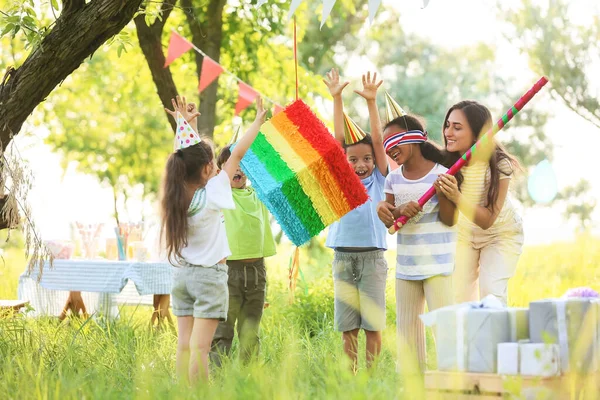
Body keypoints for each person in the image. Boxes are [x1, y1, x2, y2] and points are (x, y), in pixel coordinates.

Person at [161, 95, 267, 384]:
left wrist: (185, 123)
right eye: (212, 164)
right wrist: (257, 121)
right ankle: (202, 393)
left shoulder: (175, 196)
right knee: (202, 349)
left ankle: (180, 390)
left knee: (184, 345)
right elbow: (237, 153)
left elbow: (184, 159)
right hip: (209, 278)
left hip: (182, 277)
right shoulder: (215, 191)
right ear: (208, 169)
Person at [376, 109, 458, 373]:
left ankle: (451, 383)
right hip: (407, 268)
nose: (390, 149)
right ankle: (412, 385)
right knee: (407, 333)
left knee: (444, 329)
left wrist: (446, 194)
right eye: (386, 144)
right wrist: (392, 211)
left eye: (395, 141)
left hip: (438, 265)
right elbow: (390, 222)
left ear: (415, 139)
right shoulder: (393, 178)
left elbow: (449, 220)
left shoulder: (443, 173)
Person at [323, 69, 389, 371]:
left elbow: (377, 139)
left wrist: (371, 103)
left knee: (373, 325)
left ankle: (372, 378)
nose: (360, 165)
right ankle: (350, 379)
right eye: (353, 160)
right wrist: (337, 99)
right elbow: (337, 142)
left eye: (366, 159)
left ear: (375, 161)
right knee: (348, 326)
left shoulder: (379, 180)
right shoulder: (340, 178)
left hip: (373, 258)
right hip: (343, 258)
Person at [435, 100, 523, 306]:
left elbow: (487, 220)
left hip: (500, 235)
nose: (448, 132)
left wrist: (457, 196)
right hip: (464, 236)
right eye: (447, 125)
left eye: (457, 128)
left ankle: (496, 338)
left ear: (477, 134)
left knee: (491, 293)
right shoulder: (445, 162)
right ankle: (468, 339)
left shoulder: (500, 164)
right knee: (459, 298)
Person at [210, 142, 276, 366]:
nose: (238, 168)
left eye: (243, 164)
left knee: (250, 332)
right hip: (229, 272)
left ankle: (247, 381)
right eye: (232, 164)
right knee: (222, 330)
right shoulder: (221, 196)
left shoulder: (259, 195)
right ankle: (218, 380)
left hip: (257, 272)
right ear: (220, 171)